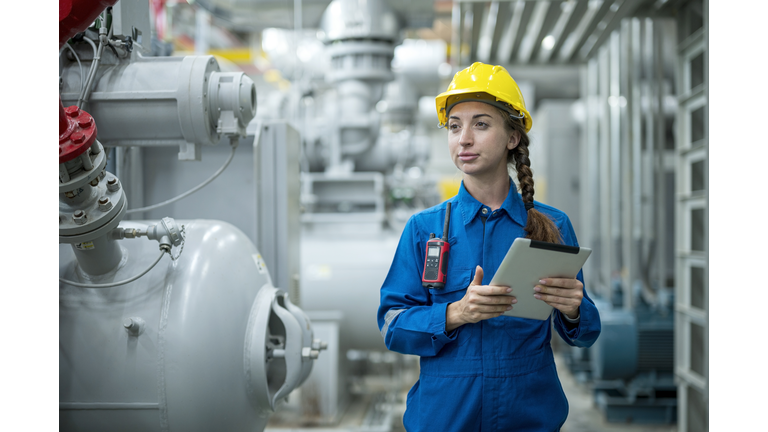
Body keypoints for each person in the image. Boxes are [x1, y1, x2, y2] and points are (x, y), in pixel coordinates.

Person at [377, 62, 601, 432]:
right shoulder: (425, 229)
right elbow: (392, 326)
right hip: (446, 418)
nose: (464, 138)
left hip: (528, 416)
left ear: (512, 137)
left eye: (480, 124)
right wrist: (455, 313)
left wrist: (574, 309)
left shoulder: (552, 225)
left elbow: (586, 333)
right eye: (454, 126)